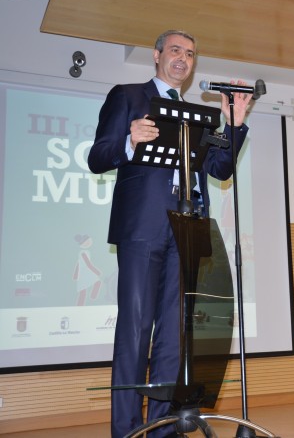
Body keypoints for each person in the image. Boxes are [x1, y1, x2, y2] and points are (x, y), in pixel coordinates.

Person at [87, 29, 253, 437]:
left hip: (190, 226)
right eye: (176, 50)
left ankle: (161, 429)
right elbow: (97, 157)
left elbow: (219, 170)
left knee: (176, 337)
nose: (183, 58)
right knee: (135, 329)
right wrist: (128, 141)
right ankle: (127, 430)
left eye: (191, 54)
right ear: (157, 55)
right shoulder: (127, 95)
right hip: (143, 227)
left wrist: (233, 126)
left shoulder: (198, 113)